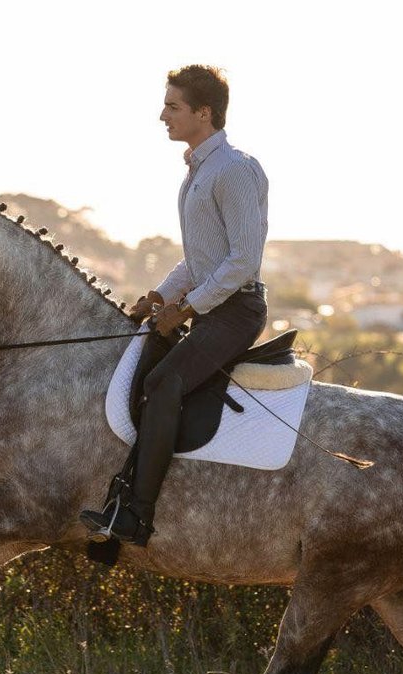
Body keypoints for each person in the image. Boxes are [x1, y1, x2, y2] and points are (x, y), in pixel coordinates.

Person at [80, 64, 269, 546]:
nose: (162, 115)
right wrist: (162, 294)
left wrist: (186, 309)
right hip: (210, 308)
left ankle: (137, 516)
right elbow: (200, 258)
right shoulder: (198, 173)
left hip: (237, 311)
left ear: (204, 113)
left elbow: (243, 260)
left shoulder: (236, 170)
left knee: (163, 382)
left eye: (173, 106)